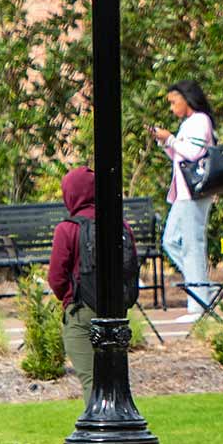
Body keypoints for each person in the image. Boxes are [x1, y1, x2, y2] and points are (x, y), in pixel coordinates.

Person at [45, 165, 138, 408]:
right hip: (116, 314)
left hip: (82, 311)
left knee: (93, 383)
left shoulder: (67, 229)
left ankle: (99, 439)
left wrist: (70, 299)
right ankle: (122, 433)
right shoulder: (121, 226)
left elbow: (56, 277)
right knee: (116, 382)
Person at [150, 80, 219, 315]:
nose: (171, 108)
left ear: (186, 99)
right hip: (182, 194)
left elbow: (194, 152)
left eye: (173, 102)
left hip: (194, 193)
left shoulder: (200, 120)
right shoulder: (189, 123)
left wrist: (170, 138)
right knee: (170, 241)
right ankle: (202, 290)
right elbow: (180, 155)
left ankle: (198, 306)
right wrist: (166, 143)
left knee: (192, 247)